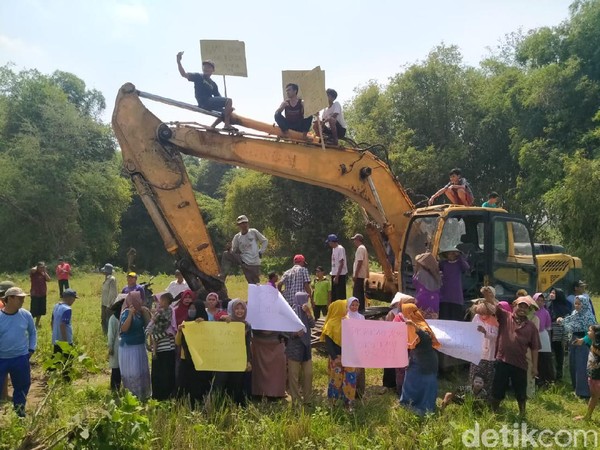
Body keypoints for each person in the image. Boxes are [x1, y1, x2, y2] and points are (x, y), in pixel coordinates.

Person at [489, 296, 540, 418]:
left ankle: (522, 413)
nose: (522, 309)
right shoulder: (505, 316)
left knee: (521, 390)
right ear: (514, 305)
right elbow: (494, 308)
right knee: (498, 388)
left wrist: (534, 367)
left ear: (529, 310)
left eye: (525, 307)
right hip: (502, 360)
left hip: (520, 363)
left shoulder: (531, 326)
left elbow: (535, 348)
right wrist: (488, 295)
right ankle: (493, 413)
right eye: (520, 306)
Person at [399, 303, 441, 416]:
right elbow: (411, 345)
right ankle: (408, 403)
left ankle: (425, 409)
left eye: (406, 313)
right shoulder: (409, 325)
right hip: (415, 359)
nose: (405, 315)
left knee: (427, 385)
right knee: (410, 381)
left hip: (427, 361)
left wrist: (415, 326)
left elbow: (426, 338)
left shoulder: (421, 325)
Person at [0, 287, 37, 416]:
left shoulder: (26, 315)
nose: (23, 300)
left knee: (22, 387)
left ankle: (19, 413)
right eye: (19, 298)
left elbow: (32, 333)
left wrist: (31, 349)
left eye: (23, 298)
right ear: (9, 299)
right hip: (2, 358)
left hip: (20, 358)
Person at [176, 51, 234, 131]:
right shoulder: (198, 76)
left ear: (213, 70)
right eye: (205, 67)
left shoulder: (213, 84)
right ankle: (226, 125)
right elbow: (183, 74)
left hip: (209, 104)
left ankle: (212, 127)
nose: (206, 68)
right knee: (229, 100)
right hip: (204, 102)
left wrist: (228, 108)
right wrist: (178, 62)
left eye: (209, 67)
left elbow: (219, 98)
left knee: (228, 110)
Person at [212, 299, 252, 405]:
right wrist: (223, 319)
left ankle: (233, 408)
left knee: (236, 385)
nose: (239, 311)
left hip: (238, 360)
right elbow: (215, 332)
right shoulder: (225, 321)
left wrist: (248, 361)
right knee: (219, 384)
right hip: (223, 360)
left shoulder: (247, 325)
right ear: (232, 310)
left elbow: (247, 345)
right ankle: (213, 408)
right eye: (237, 308)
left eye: (242, 308)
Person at [320, 299, 357, 410]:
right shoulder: (330, 324)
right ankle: (334, 403)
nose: (347, 309)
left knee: (349, 380)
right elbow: (329, 343)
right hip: (336, 358)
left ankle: (348, 403)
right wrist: (335, 357)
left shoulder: (348, 321)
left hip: (349, 357)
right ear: (338, 309)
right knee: (336, 380)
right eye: (345, 307)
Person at [175, 299, 212, 407]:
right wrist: (179, 331)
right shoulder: (185, 323)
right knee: (184, 384)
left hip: (200, 360)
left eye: (194, 309)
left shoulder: (206, 324)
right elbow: (178, 342)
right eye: (190, 309)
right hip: (185, 359)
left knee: (198, 384)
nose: (191, 311)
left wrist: (202, 325)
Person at [558, 295, 597, 398]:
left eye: (579, 304)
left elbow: (594, 333)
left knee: (581, 367)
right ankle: (576, 389)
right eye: (576, 303)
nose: (577, 306)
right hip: (574, 340)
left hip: (583, 343)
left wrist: (583, 340)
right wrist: (562, 321)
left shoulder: (589, 316)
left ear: (584, 304)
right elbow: (569, 322)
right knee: (573, 365)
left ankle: (584, 392)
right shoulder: (575, 313)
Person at [119, 291, 151, 400]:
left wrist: (146, 312)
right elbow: (124, 329)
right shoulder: (126, 312)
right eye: (138, 299)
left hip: (139, 346)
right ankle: (132, 396)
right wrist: (130, 314)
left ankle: (143, 395)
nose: (140, 301)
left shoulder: (141, 312)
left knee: (141, 370)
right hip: (129, 348)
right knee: (133, 371)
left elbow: (148, 326)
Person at [286, 292, 315, 405]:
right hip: (294, 349)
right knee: (294, 376)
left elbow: (312, 325)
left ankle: (308, 399)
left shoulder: (306, 311)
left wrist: (308, 313)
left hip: (306, 348)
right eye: (304, 299)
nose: (305, 302)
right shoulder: (291, 313)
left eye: (306, 300)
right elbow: (285, 331)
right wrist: (295, 334)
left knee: (309, 374)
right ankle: (296, 400)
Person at [221, 215, 268, 284]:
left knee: (254, 283)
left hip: (254, 262)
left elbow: (265, 241)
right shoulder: (237, 237)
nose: (244, 225)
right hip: (243, 261)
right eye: (241, 224)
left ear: (248, 223)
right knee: (226, 254)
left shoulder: (253, 232)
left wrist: (261, 251)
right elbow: (234, 250)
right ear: (239, 226)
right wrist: (229, 249)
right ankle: (222, 276)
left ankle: (257, 294)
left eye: (245, 223)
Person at [469, 287, 499, 393]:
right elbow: (470, 330)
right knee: (474, 377)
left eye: (484, 313)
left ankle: (486, 399)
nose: (482, 315)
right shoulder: (476, 317)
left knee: (487, 378)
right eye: (480, 313)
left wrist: (485, 333)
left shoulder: (495, 321)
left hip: (489, 355)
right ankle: (472, 397)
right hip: (477, 353)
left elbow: (496, 336)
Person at [574, 325, 600, 421]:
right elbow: (586, 338)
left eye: (589, 331)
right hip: (592, 373)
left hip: (596, 375)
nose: (587, 332)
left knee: (594, 396)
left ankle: (587, 417)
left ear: (595, 334)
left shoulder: (597, 345)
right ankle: (587, 416)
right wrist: (581, 340)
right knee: (594, 396)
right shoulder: (593, 341)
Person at [547, 287, 571, 381]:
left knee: (559, 353)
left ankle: (559, 374)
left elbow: (567, 321)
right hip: (549, 331)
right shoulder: (548, 304)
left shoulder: (564, 307)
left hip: (559, 333)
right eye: (551, 292)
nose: (551, 294)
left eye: (554, 293)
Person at [438, 247, 469, 321]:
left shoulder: (459, 264)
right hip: (444, 294)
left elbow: (466, 267)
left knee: (456, 318)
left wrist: (460, 257)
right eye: (449, 254)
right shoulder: (443, 264)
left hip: (456, 296)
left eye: (453, 254)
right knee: (444, 318)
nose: (451, 255)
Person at [533, 293, 555, 386]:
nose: (540, 302)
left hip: (543, 335)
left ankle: (547, 380)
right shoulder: (530, 311)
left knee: (545, 358)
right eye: (538, 300)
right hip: (532, 336)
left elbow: (548, 327)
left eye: (542, 301)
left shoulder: (545, 312)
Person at [412, 252, 442, 319]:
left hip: (423, 299)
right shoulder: (436, 274)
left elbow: (415, 282)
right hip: (435, 301)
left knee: (421, 321)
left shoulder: (421, 273)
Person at [347, 297, 366, 399]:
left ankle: (359, 392)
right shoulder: (345, 317)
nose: (354, 307)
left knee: (360, 369)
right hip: (349, 348)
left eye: (356, 305)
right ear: (348, 306)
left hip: (359, 347)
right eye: (352, 305)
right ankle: (350, 392)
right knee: (351, 369)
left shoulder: (361, 317)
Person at [51, 289, 78, 353]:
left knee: (56, 360)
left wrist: (54, 333)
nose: (74, 301)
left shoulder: (56, 306)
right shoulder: (67, 309)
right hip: (65, 340)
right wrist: (65, 342)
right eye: (74, 299)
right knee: (68, 360)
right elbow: (63, 325)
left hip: (56, 339)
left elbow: (52, 322)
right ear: (69, 298)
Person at [107, 298, 124, 391]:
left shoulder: (113, 318)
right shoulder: (114, 319)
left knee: (116, 368)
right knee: (117, 368)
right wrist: (110, 347)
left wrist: (110, 346)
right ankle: (115, 387)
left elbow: (110, 335)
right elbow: (111, 335)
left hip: (118, 345)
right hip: (118, 346)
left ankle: (116, 388)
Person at [326, 234, 348, 301]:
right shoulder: (333, 249)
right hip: (334, 274)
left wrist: (337, 276)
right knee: (334, 296)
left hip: (340, 275)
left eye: (329, 242)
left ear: (332, 241)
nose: (329, 244)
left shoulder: (340, 249)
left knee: (340, 295)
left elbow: (341, 263)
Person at [350, 233, 369, 312]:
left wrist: (356, 274)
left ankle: (358, 309)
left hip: (359, 275)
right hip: (361, 275)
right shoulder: (363, 248)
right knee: (360, 293)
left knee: (357, 293)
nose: (354, 241)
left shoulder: (360, 248)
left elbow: (360, 261)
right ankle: (361, 309)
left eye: (355, 240)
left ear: (358, 240)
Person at [30, 262, 51, 328]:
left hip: (42, 294)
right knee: (33, 311)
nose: (42, 268)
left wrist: (44, 271)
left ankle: (37, 323)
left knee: (41, 310)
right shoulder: (34, 273)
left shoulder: (43, 274)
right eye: (41, 267)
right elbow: (32, 270)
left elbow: (49, 279)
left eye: (43, 267)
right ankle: (30, 324)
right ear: (37, 267)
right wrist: (37, 266)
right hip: (35, 294)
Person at [100, 263, 117, 336]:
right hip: (104, 303)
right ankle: (104, 334)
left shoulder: (112, 279)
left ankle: (109, 335)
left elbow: (113, 293)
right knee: (103, 319)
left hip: (108, 304)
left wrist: (109, 305)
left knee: (108, 320)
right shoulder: (107, 279)